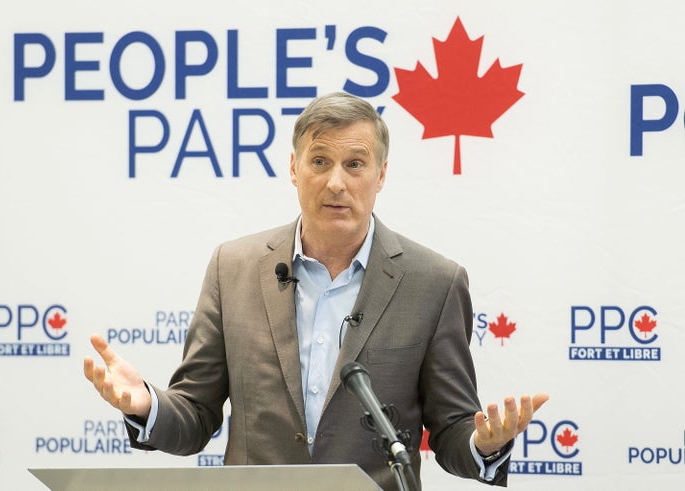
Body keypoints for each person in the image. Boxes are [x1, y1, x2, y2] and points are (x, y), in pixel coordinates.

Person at [84, 92, 548, 490]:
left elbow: (450, 432)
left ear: (381, 175)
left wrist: (483, 443)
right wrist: (147, 405)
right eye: (320, 161)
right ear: (294, 167)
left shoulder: (434, 283)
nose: (336, 182)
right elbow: (196, 414)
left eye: (355, 164)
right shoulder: (234, 267)